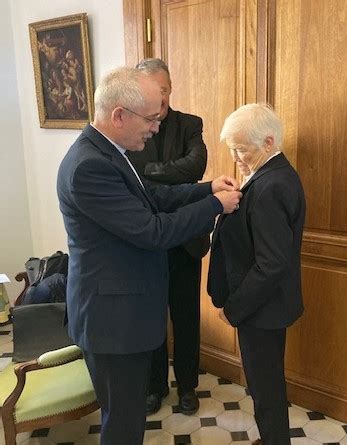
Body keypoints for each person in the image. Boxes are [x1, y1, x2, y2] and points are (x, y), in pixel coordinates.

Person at [56, 66, 241, 445]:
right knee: (123, 425)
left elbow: (152, 198)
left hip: (122, 315)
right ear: (119, 114)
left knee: (126, 420)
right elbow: (153, 231)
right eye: (151, 119)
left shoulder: (109, 152)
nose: (156, 128)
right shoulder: (90, 166)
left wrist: (206, 190)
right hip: (113, 322)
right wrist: (215, 207)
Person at [207, 103, 306, 445]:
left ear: (267, 142)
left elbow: (271, 263)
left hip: (261, 310)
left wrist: (234, 308)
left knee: (266, 388)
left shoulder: (271, 186)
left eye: (241, 149)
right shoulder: (270, 175)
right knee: (266, 384)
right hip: (264, 307)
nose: (235, 157)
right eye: (232, 148)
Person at [128, 58, 208, 416]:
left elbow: (196, 166)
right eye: (146, 90)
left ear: (169, 88)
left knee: (186, 316)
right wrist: (165, 177)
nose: (154, 98)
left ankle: (188, 386)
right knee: (151, 316)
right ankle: (154, 386)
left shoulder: (190, 124)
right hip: (146, 240)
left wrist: (153, 174)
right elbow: (134, 176)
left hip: (185, 239)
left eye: (159, 90)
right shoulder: (132, 127)